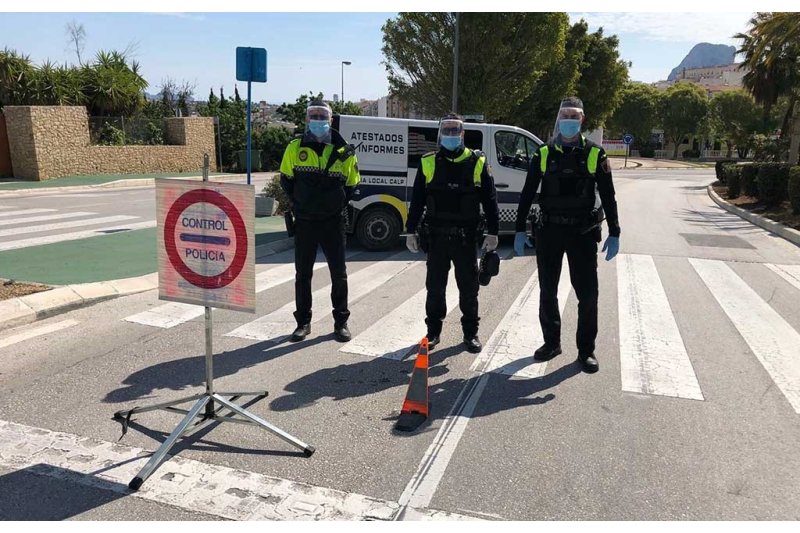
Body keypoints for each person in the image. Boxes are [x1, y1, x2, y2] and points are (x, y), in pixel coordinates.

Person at [514, 97, 620, 373]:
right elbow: (527, 193)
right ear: (558, 118)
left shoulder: (596, 154)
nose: (569, 120)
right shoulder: (544, 153)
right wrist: (518, 228)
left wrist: (615, 231)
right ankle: (551, 343)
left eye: (574, 115)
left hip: (582, 233)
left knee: (588, 294)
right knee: (547, 290)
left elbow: (608, 195)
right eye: (565, 115)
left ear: (582, 119)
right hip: (549, 231)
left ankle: (586, 351)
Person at [405, 113, 500, 354]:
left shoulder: (477, 161)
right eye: (445, 130)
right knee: (435, 287)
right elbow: (417, 200)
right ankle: (433, 332)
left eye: (454, 130)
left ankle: (470, 334)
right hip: (436, 237)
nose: (450, 134)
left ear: (462, 134)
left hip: (466, 238)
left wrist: (493, 232)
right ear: (439, 134)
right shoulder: (428, 162)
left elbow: (490, 199)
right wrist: (410, 231)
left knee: (469, 288)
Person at [279, 100, 360, 343]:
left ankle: (341, 323)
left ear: (331, 120)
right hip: (304, 221)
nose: (317, 119)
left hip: (332, 222)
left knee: (339, 274)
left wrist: (333, 204)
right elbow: (286, 180)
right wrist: (303, 203)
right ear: (307, 120)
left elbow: (353, 184)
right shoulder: (295, 148)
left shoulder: (342, 150)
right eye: (312, 115)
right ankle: (303, 323)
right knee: (303, 274)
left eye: (321, 115)